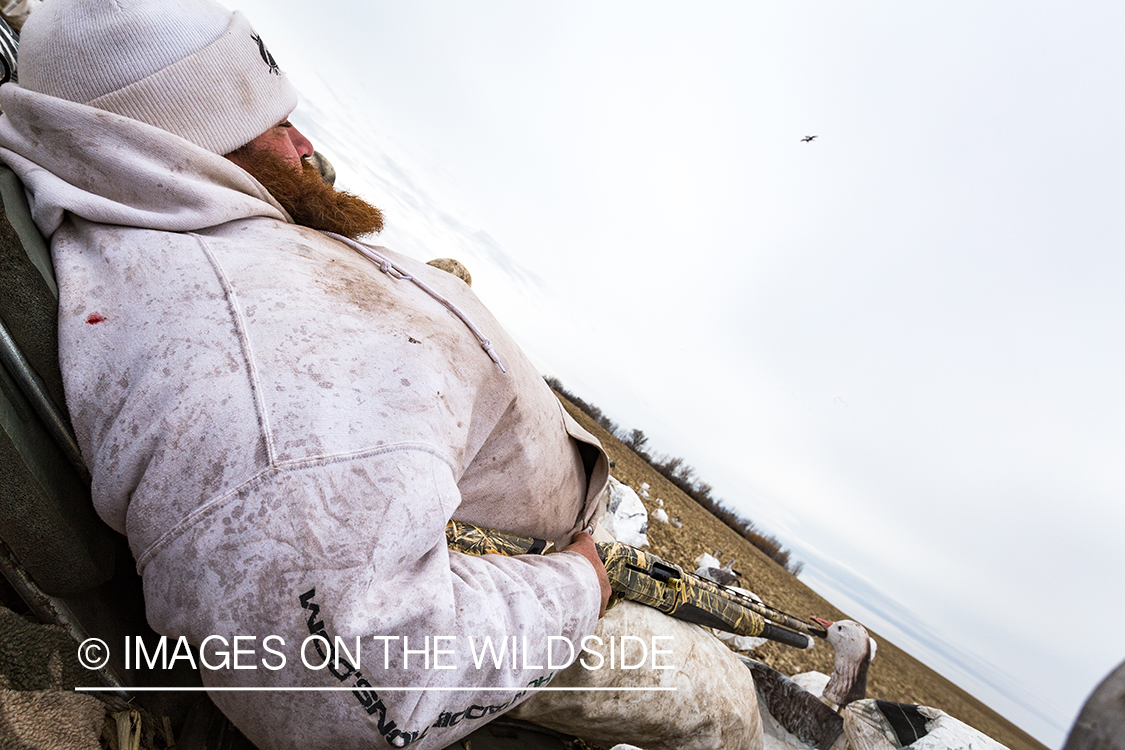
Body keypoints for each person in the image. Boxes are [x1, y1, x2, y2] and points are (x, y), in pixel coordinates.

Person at [0, 1, 762, 748]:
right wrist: (578, 584)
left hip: (453, 506)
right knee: (722, 701)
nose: (302, 142)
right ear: (186, 140)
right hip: (511, 571)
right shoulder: (256, 392)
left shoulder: (169, 215)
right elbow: (362, 691)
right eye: (270, 123)